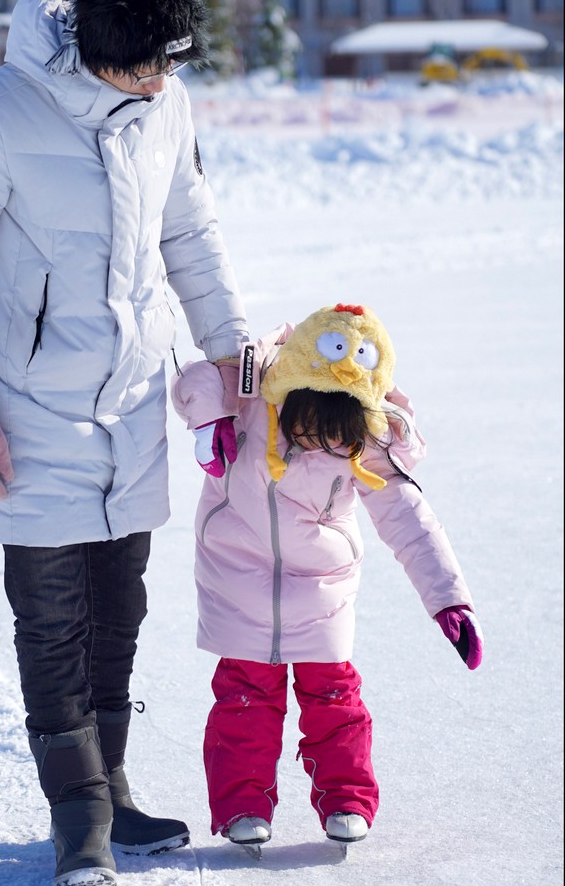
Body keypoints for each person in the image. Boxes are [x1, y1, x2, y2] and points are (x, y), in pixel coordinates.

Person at [0, 0, 250, 886]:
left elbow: (190, 229)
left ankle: (116, 787)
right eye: (142, 68)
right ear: (99, 47)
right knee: (50, 618)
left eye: (167, 65)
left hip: (134, 398)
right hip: (25, 412)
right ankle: (78, 819)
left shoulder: (165, 100)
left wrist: (231, 353)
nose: (155, 83)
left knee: (121, 610)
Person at [170, 302, 482, 851]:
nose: (323, 444)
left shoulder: (362, 431)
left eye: (337, 435)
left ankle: (346, 800)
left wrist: (448, 601)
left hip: (324, 584)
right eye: (310, 430)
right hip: (236, 574)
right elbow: (193, 377)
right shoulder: (247, 397)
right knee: (244, 697)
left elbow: (408, 518)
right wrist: (210, 419)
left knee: (334, 695)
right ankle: (243, 805)